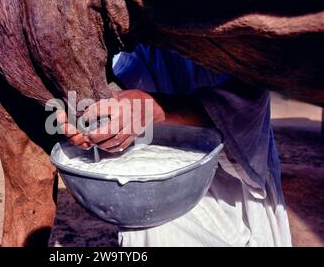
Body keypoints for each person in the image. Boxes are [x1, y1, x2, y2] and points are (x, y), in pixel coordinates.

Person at [61, 44, 292, 246]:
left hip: (233, 183)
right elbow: (119, 88)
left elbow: (244, 108)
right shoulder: (148, 47)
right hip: (162, 182)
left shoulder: (236, 39)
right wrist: (87, 117)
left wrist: (155, 109)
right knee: (150, 225)